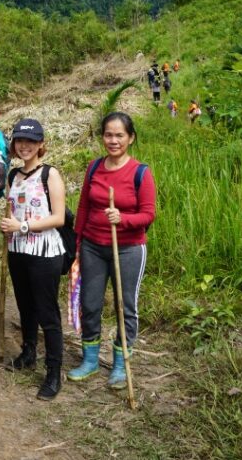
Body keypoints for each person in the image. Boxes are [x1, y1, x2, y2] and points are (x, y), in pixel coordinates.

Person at [67, 112, 156, 389]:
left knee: (125, 307)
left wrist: (123, 219)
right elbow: (83, 207)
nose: (113, 140)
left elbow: (148, 214)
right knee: (90, 304)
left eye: (119, 135)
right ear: (102, 136)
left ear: (131, 138)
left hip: (128, 249)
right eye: (108, 134)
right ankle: (90, 360)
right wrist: (77, 243)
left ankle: (120, 365)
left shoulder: (141, 173)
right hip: (93, 246)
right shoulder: (94, 168)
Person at [0, 119, 66, 401]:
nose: (24, 146)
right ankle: (29, 352)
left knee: (47, 312)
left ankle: (53, 371)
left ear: (41, 145)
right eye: (19, 141)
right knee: (25, 306)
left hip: (44, 251)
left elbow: (59, 218)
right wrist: (9, 226)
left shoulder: (50, 174)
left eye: (31, 141)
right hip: (18, 250)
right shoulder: (13, 176)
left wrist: (22, 227)